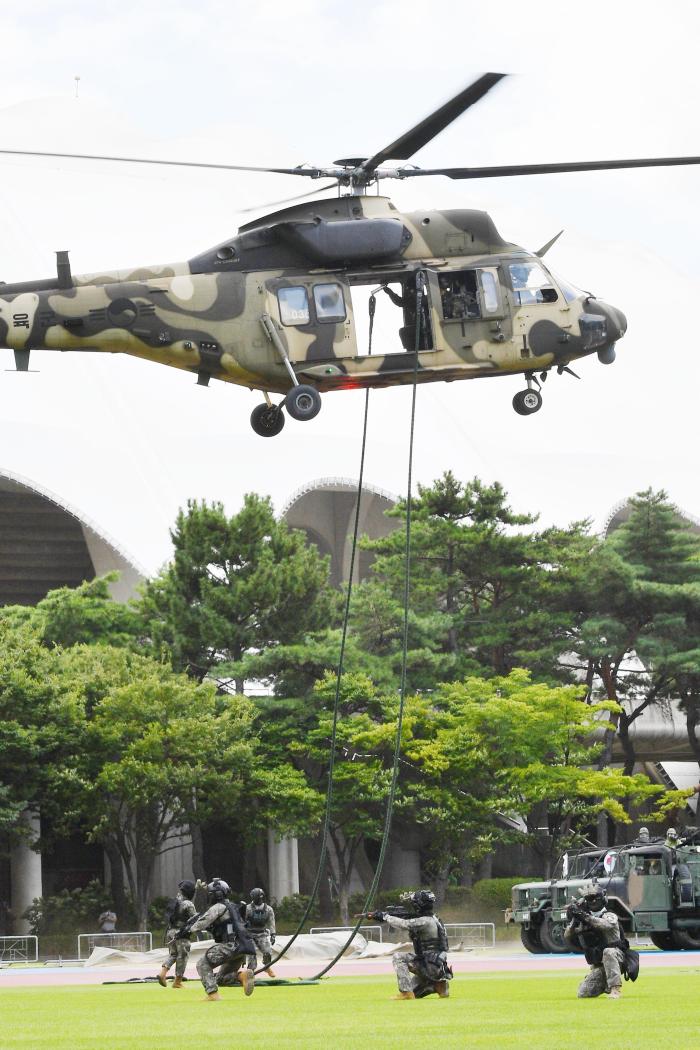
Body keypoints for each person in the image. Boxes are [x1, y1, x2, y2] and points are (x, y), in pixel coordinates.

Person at [176, 878, 257, 1002]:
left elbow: (202, 922)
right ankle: (242, 976)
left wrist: (186, 931)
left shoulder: (219, 907)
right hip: (241, 948)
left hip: (229, 946)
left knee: (202, 964)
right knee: (221, 979)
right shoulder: (234, 906)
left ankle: (212, 994)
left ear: (215, 895)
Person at [369, 889, 452, 1000]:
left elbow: (404, 924)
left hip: (428, 965)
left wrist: (385, 917)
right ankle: (438, 986)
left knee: (398, 957)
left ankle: (405, 993)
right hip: (438, 966)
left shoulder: (425, 921)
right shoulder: (435, 919)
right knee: (415, 993)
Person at [564, 885, 635, 999]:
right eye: (589, 900)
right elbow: (567, 935)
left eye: (594, 898)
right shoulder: (584, 919)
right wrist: (573, 918)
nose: (592, 902)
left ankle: (615, 989)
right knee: (582, 993)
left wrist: (583, 915)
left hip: (617, 958)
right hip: (599, 964)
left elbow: (602, 924)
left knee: (608, 951)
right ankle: (606, 983)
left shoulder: (610, 916)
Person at [158, 879, 197, 989]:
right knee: (183, 956)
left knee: (173, 954)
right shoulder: (188, 904)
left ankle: (162, 973)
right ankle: (177, 981)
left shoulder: (176, 900)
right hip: (181, 934)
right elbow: (195, 919)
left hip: (170, 931)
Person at [244, 888, 277, 977]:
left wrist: (273, 934)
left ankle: (267, 967)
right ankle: (250, 971)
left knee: (268, 952)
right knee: (252, 953)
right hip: (249, 934)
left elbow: (271, 922)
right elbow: (242, 921)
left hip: (262, 934)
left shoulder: (268, 909)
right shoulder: (247, 908)